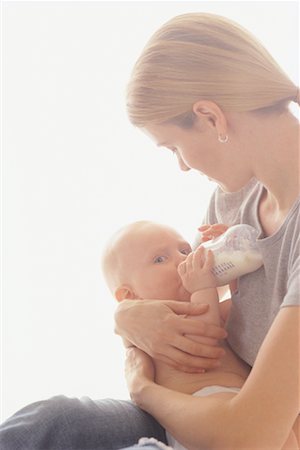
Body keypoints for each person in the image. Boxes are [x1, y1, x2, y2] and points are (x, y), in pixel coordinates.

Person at [0, 11, 299, 450]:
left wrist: (146, 393)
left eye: (174, 147)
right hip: (202, 412)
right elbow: (177, 295)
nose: (182, 166)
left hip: (247, 432)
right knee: (54, 421)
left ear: (211, 118)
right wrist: (127, 315)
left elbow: (252, 435)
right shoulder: (236, 197)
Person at [102, 219, 297, 450]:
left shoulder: (205, 305)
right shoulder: (157, 329)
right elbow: (203, 337)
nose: (183, 259)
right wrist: (203, 287)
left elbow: (249, 307)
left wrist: (232, 262)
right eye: (160, 259)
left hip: (247, 416)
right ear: (129, 296)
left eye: (185, 250)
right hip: (200, 422)